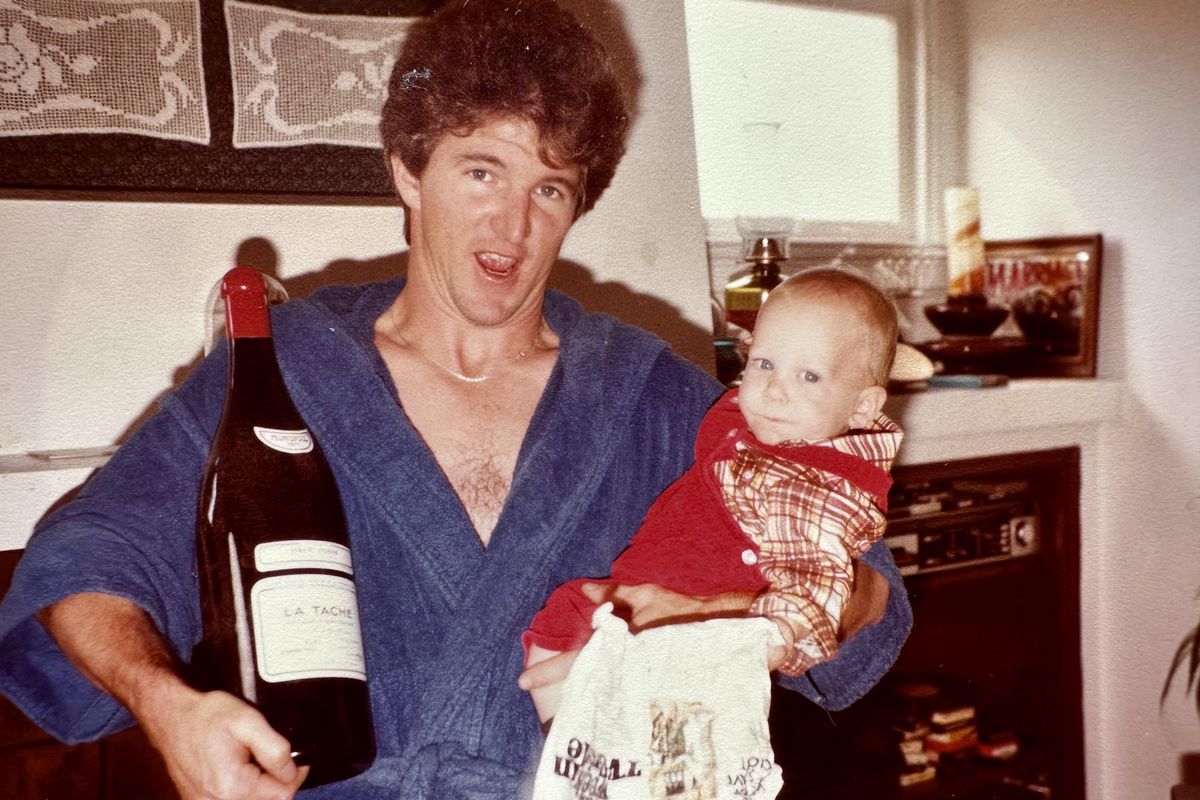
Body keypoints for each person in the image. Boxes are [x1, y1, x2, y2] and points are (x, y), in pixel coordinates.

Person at [0, 2, 911, 799]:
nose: (511, 227)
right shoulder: (289, 368)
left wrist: (734, 611)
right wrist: (170, 708)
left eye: (548, 188)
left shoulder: (651, 394)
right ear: (407, 169)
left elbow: (867, 590)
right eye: (481, 171)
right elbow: (89, 555)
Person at [523, 269, 903, 723]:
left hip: (701, 624)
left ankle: (589, 749)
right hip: (637, 596)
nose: (774, 390)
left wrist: (765, 636)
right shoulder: (761, 425)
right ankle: (569, 748)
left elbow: (816, 583)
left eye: (809, 376)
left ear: (862, 407)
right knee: (557, 634)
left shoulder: (814, 485)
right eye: (764, 364)